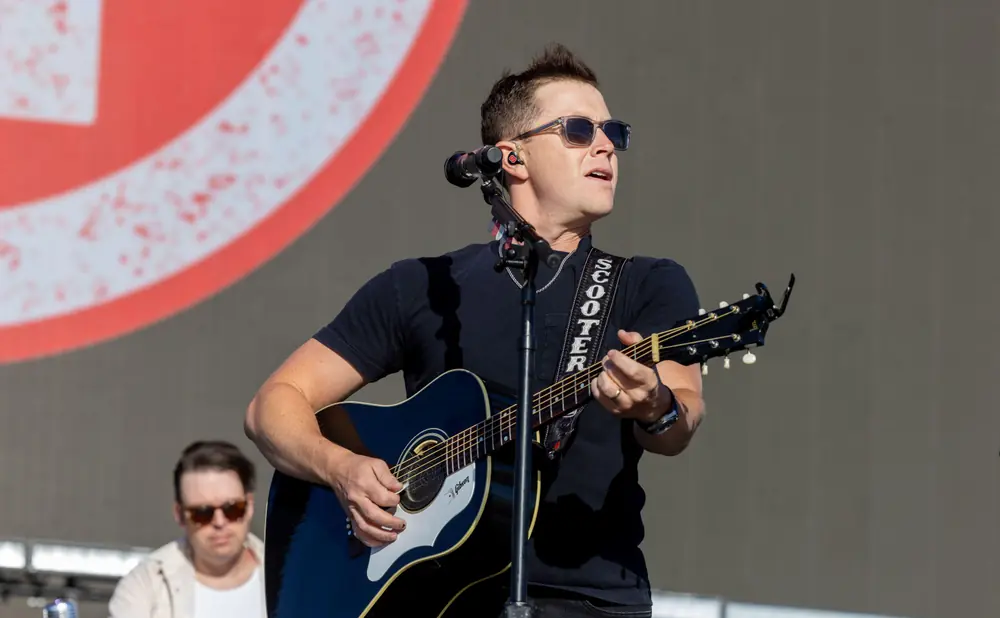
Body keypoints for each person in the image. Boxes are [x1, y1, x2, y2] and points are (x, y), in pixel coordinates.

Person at [245, 43, 706, 618]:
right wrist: (339, 469)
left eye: (613, 130)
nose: (607, 145)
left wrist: (654, 405)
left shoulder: (646, 284)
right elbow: (274, 404)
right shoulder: (424, 287)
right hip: (434, 598)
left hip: (589, 598)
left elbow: (679, 420)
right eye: (580, 130)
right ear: (511, 159)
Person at [108, 440, 265, 618]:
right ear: (179, 514)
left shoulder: (290, 577)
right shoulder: (145, 585)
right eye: (202, 513)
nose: (219, 522)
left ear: (250, 506)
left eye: (232, 509)